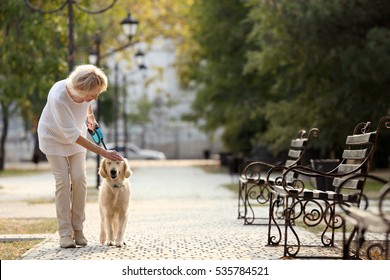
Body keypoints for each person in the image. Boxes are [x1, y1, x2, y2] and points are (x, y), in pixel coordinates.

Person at [37, 64, 124, 248]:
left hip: (76, 137)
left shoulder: (86, 93)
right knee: (63, 182)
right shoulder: (59, 96)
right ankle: (65, 234)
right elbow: (73, 136)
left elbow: (88, 104)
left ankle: (78, 229)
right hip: (53, 139)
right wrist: (104, 153)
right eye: (93, 94)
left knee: (79, 179)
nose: (95, 98)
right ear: (80, 88)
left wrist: (90, 118)